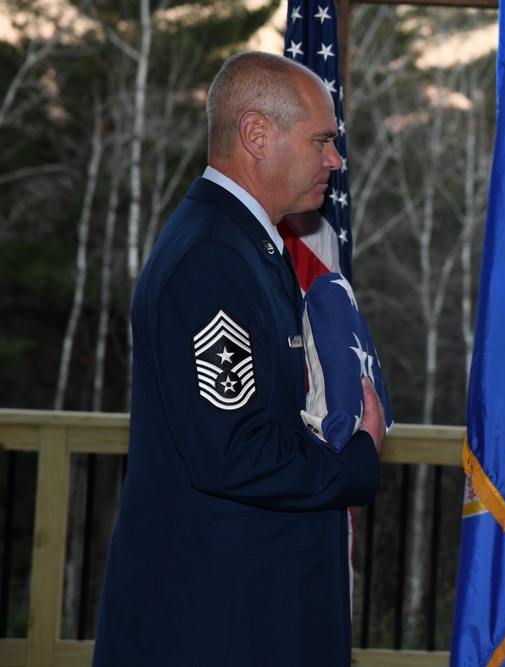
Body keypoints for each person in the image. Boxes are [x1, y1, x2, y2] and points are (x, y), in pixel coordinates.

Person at [92, 51, 386, 666]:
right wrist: (357, 459)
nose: (336, 159)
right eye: (323, 140)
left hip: (249, 610)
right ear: (257, 134)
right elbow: (234, 451)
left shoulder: (249, 245)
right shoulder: (212, 258)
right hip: (219, 623)